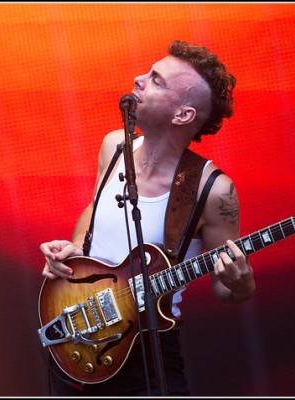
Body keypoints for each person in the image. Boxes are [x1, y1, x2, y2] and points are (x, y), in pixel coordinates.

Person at [39, 40, 255, 396]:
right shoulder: (115, 146)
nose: (139, 79)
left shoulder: (213, 191)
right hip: (79, 330)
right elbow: (95, 209)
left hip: (147, 350)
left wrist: (242, 282)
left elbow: (226, 290)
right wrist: (73, 250)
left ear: (183, 115)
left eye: (156, 80)